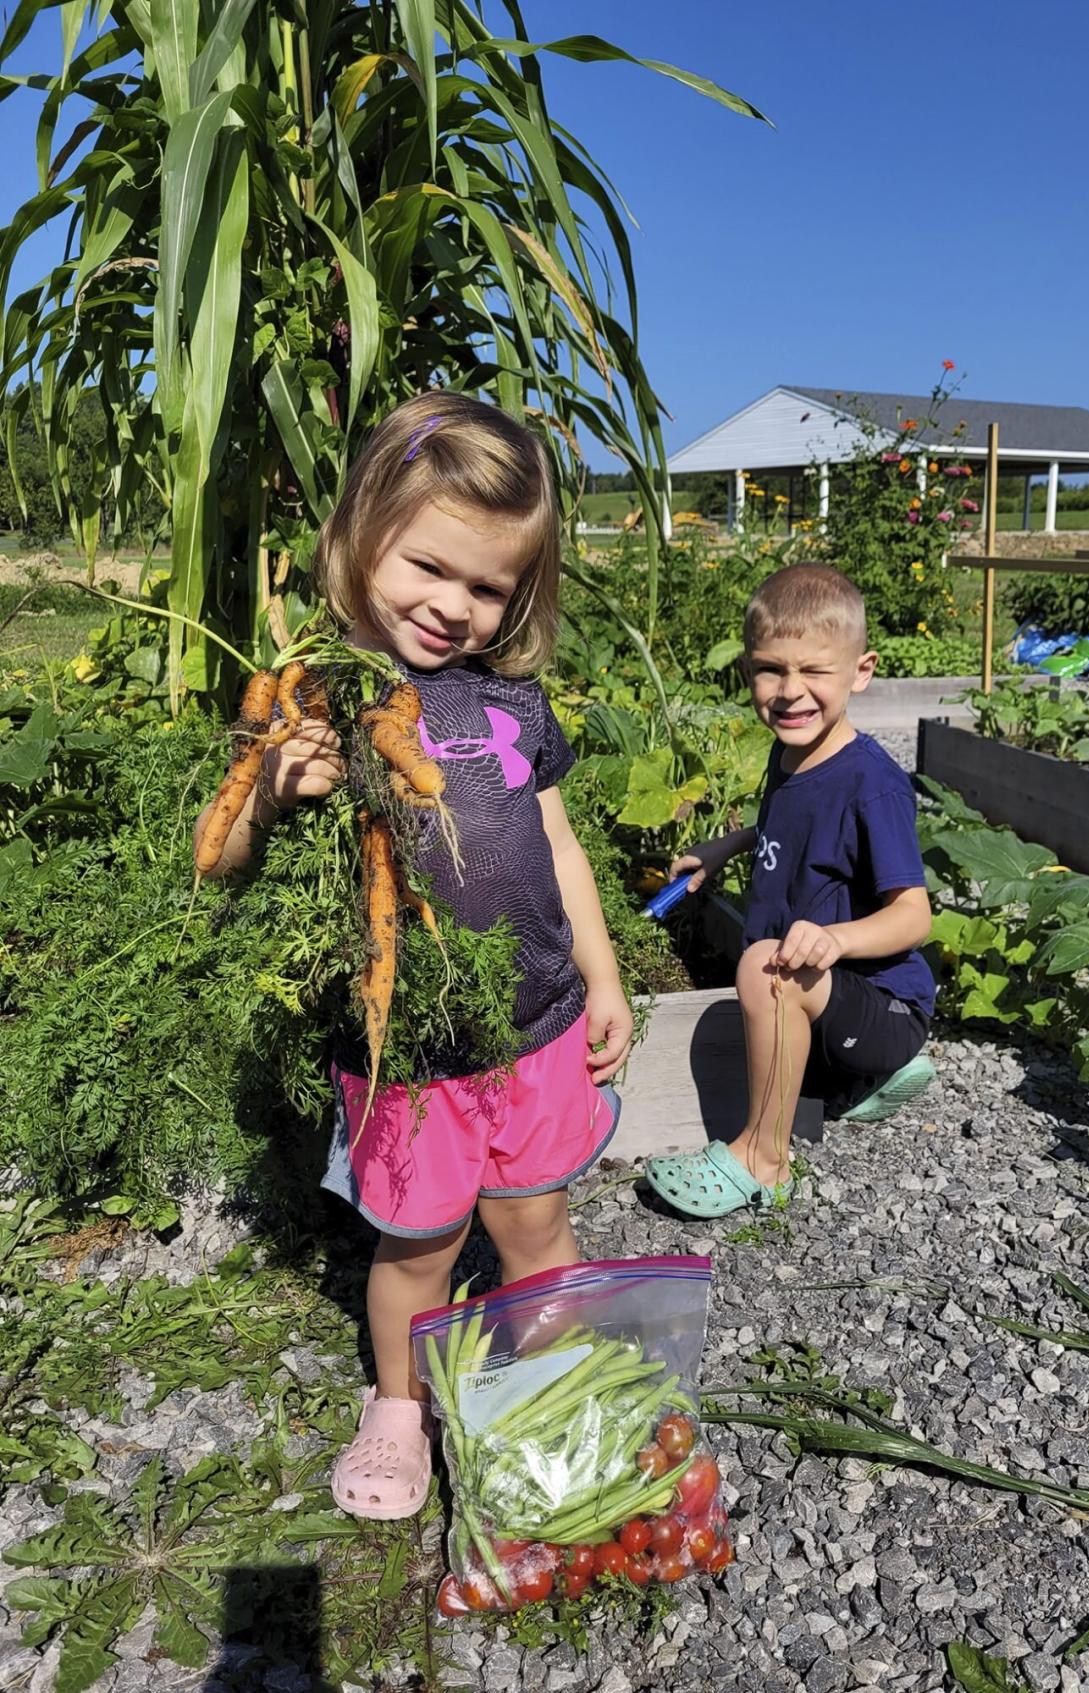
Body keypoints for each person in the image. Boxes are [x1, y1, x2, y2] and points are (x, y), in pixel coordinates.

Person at [195, 393, 633, 1517]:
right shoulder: (316, 698)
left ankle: (552, 1382)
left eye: (488, 587)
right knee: (420, 1244)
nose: (452, 606)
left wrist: (605, 973)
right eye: (428, 567)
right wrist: (277, 794)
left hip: (531, 1024)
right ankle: (397, 1403)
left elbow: (556, 838)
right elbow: (225, 857)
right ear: (359, 539)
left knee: (537, 1224)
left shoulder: (514, 698)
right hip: (409, 1048)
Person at [644, 562, 934, 1219]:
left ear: (861, 671)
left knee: (766, 970)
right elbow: (789, 821)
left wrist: (836, 937)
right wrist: (724, 847)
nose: (788, 691)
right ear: (748, 670)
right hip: (841, 1003)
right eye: (770, 669)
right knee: (776, 982)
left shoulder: (873, 785)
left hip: (887, 1007)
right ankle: (859, 1082)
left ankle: (764, 1159)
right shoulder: (791, 754)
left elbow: (915, 916)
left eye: (814, 672)